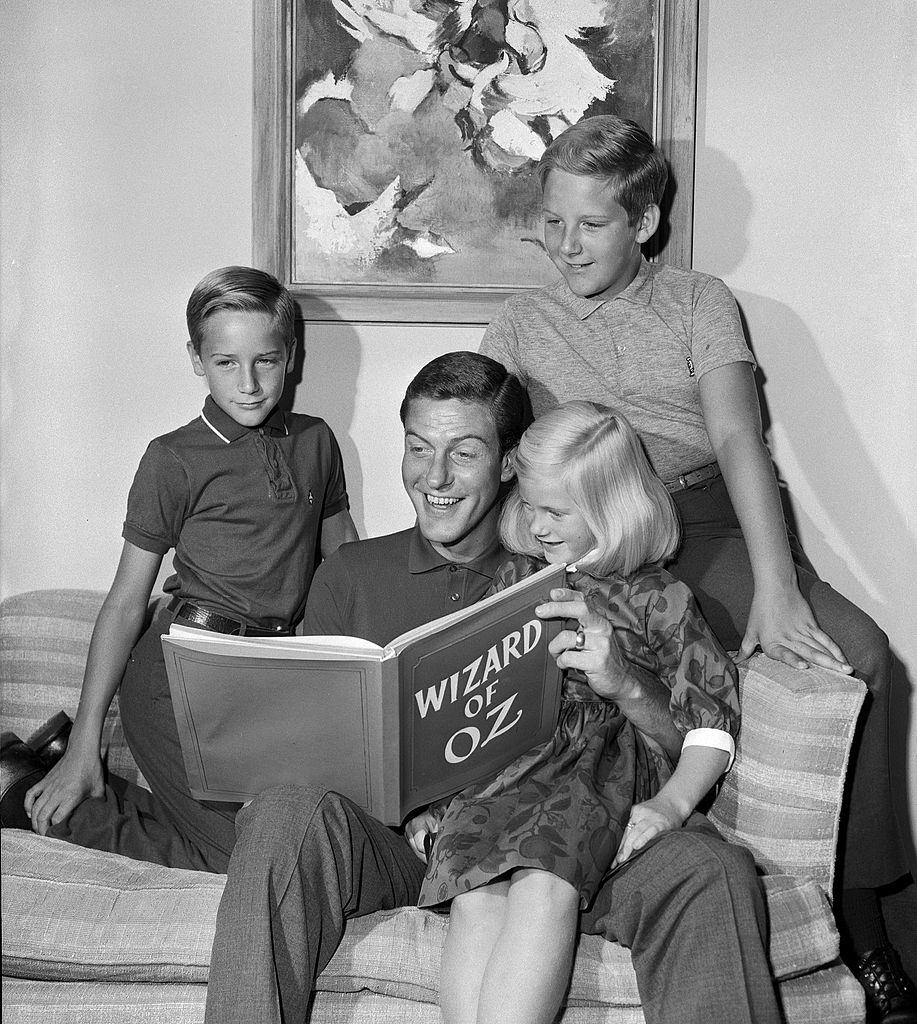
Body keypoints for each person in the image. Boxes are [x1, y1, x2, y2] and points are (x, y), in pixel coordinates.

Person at [479, 113, 916, 1022]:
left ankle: (866, 927)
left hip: (709, 518)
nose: (563, 245)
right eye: (550, 223)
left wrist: (779, 585)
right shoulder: (518, 323)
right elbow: (490, 452)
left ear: (641, 224)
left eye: (589, 225)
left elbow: (733, 434)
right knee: (643, 676)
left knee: (864, 657)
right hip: (600, 531)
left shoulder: (696, 302)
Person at [203, 352, 778, 1024]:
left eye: (463, 452)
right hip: (429, 834)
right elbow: (311, 747)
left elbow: (698, 720)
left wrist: (625, 685)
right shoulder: (348, 575)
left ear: (507, 463)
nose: (435, 477)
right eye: (418, 448)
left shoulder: (573, 577)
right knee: (282, 811)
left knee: (712, 870)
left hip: (587, 812)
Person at [6, 265, 358, 872]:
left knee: (295, 838)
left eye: (266, 361)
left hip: (271, 678)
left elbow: (344, 561)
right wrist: (87, 743)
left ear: (292, 355)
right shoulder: (173, 458)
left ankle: (47, 779)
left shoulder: (317, 441)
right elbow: (123, 602)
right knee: (254, 859)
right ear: (197, 359)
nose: (248, 384)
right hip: (178, 677)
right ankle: (27, 793)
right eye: (226, 363)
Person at [417, 401, 745, 1024]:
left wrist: (672, 804)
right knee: (475, 891)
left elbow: (711, 722)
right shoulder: (513, 579)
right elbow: (469, 701)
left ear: (611, 508)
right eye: (530, 506)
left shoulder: (659, 599)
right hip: (505, 765)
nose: (537, 526)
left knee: (544, 881)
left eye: (557, 512)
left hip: (596, 771)